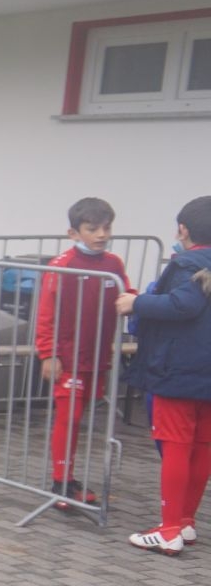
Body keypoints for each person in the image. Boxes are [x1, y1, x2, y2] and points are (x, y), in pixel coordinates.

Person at [117, 195, 211, 555]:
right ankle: (186, 522)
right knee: (202, 447)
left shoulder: (188, 264)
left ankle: (169, 529)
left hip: (179, 371)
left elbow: (183, 305)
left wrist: (135, 303)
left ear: (183, 230)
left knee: (176, 447)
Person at [35, 197, 128, 507]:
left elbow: (125, 293)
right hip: (68, 359)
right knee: (70, 417)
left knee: (82, 417)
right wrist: (48, 353)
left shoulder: (114, 263)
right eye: (93, 229)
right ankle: (61, 482)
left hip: (97, 357)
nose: (102, 235)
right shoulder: (62, 265)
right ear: (73, 233)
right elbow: (46, 313)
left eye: (107, 228)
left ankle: (69, 478)